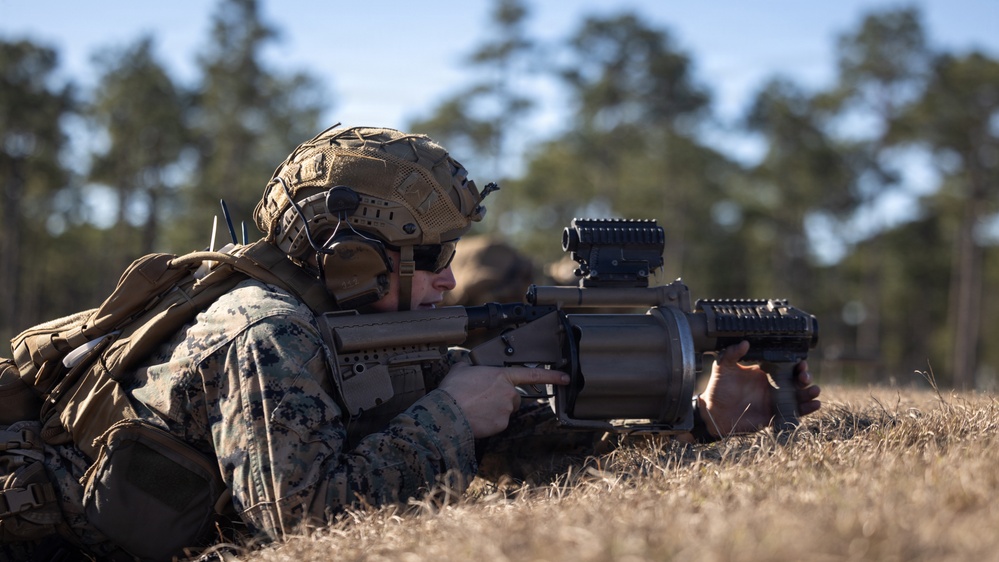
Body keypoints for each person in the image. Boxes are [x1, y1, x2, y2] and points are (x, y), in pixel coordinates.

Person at [8, 125, 820, 561]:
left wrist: (697, 421)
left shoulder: (364, 319)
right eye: (431, 256)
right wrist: (450, 421)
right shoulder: (265, 332)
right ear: (352, 258)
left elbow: (508, 444)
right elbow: (304, 526)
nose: (450, 275)